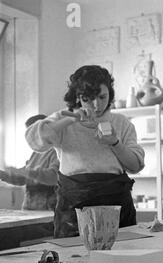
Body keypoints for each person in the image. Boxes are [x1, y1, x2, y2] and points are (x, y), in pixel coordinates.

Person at [26, 65, 145, 238]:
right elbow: (35, 140)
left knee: (122, 258)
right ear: (78, 98)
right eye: (88, 99)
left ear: (110, 95)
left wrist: (115, 143)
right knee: (73, 261)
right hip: (73, 206)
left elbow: (136, 166)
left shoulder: (121, 123)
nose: (97, 105)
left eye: (102, 97)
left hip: (116, 203)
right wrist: (70, 119)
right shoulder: (63, 119)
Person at [0, 114, 59, 211]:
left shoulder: (57, 152)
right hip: (30, 209)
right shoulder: (36, 153)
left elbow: (53, 177)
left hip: (48, 211)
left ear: (43, 131)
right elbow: (23, 179)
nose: (30, 137)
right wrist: (2, 175)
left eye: (31, 133)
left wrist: (26, 172)